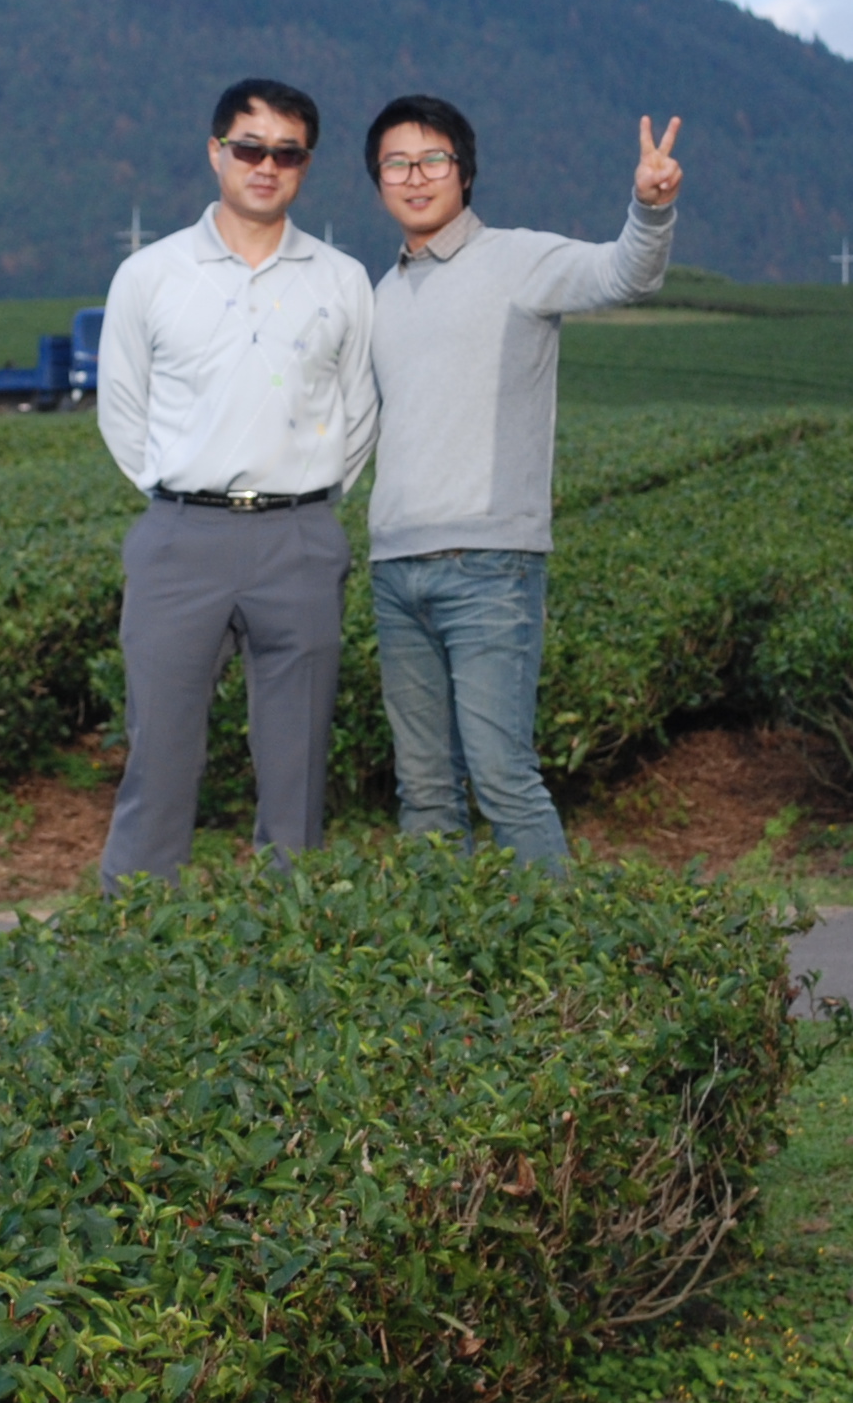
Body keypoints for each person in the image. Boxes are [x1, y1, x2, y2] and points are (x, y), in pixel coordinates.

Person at [363, 97, 683, 871]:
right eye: (396, 163)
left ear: (465, 173)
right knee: (423, 792)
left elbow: (624, 273)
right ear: (378, 181)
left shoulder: (518, 259)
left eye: (433, 160)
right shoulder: (380, 294)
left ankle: (560, 945)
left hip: (489, 566)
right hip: (394, 570)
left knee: (504, 779)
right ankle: (441, 944)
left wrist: (650, 208)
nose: (415, 177)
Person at [94, 77, 380, 884]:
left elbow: (359, 411)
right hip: (181, 537)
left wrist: (309, 501)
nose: (267, 166)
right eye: (250, 148)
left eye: (287, 153)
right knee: (160, 753)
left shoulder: (341, 279)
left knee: (298, 765)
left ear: (305, 166)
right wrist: (183, 491)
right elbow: (123, 409)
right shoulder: (150, 274)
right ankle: (135, 926)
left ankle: (290, 933)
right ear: (216, 152)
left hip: (300, 538)